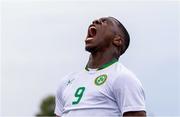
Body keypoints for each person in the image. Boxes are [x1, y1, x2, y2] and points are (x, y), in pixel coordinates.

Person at [55, 17, 146, 117]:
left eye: (104, 22)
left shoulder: (123, 78)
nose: (95, 21)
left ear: (117, 40)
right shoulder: (66, 81)